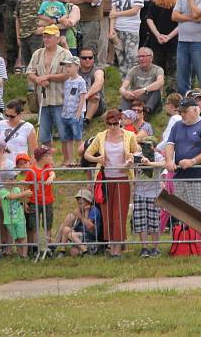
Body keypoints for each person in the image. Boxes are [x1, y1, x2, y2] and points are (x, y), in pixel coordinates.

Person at [165, 97, 201, 252]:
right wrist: (169, 160)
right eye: (180, 112)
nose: (182, 115)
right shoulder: (177, 126)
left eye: (185, 112)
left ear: (196, 110)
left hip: (200, 176)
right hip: (180, 176)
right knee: (183, 211)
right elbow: (170, 144)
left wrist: (193, 161)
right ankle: (186, 243)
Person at [84, 109, 139, 258]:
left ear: (120, 121)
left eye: (115, 123)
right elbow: (87, 154)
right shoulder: (101, 136)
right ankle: (111, 246)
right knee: (107, 214)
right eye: (110, 124)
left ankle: (118, 248)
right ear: (106, 123)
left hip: (123, 179)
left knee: (119, 215)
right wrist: (97, 159)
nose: (113, 126)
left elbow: (138, 152)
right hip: (105, 180)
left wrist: (131, 156)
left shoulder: (129, 135)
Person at [27, 25, 69, 147]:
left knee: (63, 133)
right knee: (44, 135)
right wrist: (38, 80)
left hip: (60, 99)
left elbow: (68, 74)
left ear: (57, 38)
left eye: (49, 37)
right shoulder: (38, 53)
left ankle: (67, 161)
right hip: (43, 99)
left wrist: (48, 77)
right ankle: (47, 160)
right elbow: (30, 72)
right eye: (45, 37)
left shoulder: (65, 54)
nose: (46, 39)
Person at [109, 0, 145, 78]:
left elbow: (135, 10)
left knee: (132, 58)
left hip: (131, 28)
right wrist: (111, 30)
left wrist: (117, 14)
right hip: (118, 29)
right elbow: (112, 12)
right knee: (121, 58)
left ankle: (134, 84)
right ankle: (124, 84)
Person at [145, 0, 179, 90]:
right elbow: (181, 24)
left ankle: (157, 90)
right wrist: (168, 37)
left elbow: (149, 19)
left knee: (157, 69)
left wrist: (157, 34)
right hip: (173, 40)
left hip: (157, 40)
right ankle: (171, 92)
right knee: (172, 70)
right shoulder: (177, 4)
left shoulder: (154, 3)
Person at [25, 146, 57, 248]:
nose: (50, 157)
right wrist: (25, 202)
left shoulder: (48, 167)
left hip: (47, 201)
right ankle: (35, 247)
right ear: (42, 157)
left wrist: (51, 177)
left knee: (48, 224)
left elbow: (52, 173)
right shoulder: (32, 170)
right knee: (34, 226)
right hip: (34, 202)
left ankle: (49, 247)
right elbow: (26, 185)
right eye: (48, 155)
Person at [118, 47, 164, 113]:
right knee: (127, 95)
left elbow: (160, 82)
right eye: (139, 56)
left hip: (150, 97)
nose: (141, 59)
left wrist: (144, 90)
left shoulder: (158, 69)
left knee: (157, 92)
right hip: (136, 97)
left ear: (151, 58)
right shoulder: (133, 70)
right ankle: (123, 113)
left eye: (143, 56)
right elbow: (122, 87)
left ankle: (146, 112)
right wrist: (124, 93)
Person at [61, 55, 86, 167]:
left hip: (75, 114)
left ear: (77, 67)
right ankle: (70, 160)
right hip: (66, 114)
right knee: (68, 138)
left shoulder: (81, 81)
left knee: (78, 137)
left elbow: (82, 97)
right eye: (66, 66)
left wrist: (78, 113)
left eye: (69, 66)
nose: (67, 68)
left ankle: (81, 160)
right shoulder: (67, 82)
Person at [0, 99, 37, 165]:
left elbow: (33, 153)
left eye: (12, 116)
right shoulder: (0, 125)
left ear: (20, 114)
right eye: (6, 115)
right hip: (3, 165)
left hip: (21, 166)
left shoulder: (28, 128)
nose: (8, 118)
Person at [77, 48, 106, 127]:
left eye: (90, 58)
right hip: (76, 101)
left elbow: (99, 83)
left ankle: (85, 122)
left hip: (95, 105)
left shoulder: (98, 70)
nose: (87, 60)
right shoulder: (75, 70)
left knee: (94, 96)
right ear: (79, 59)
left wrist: (86, 95)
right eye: (84, 58)